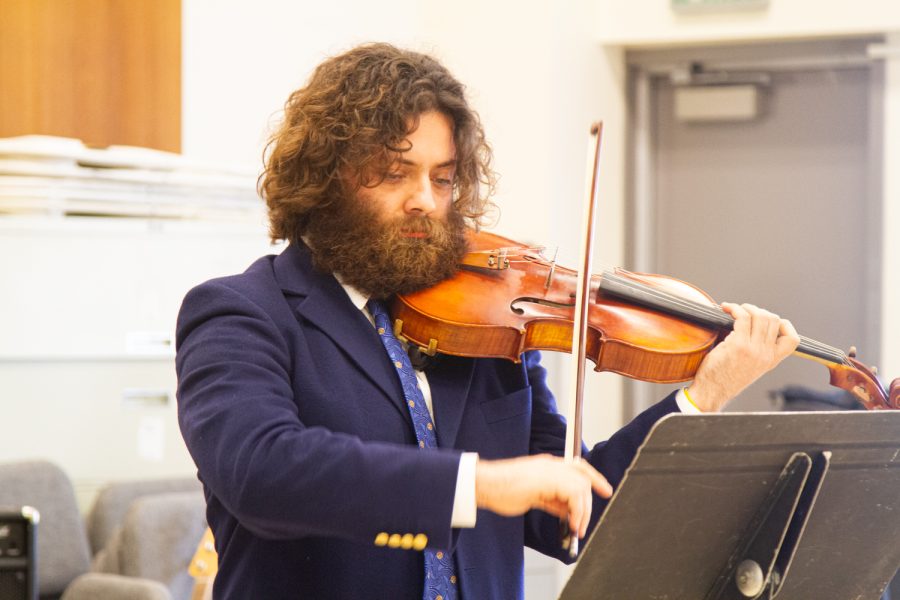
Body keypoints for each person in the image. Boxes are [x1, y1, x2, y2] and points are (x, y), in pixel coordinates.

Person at [175, 43, 800, 600]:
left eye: (442, 178)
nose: (425, 198)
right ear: (325, 178)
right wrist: (476, 483)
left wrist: (702, 393)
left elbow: (571, 510)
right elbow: (263, 472)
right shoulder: (241, 312)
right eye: (395, 173)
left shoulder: (485, 325)